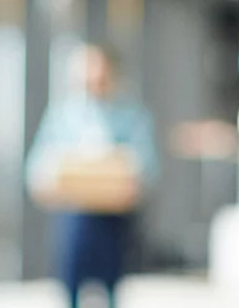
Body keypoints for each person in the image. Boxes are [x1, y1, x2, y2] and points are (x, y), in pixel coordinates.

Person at [26, 42, 158, 308]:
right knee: (70, 287)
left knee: (110, 288)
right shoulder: (63, 116)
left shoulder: (132, 116)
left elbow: (145, 170)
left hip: (114, 222)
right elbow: (37, 170)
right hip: (74, 218)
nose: (93, 81)